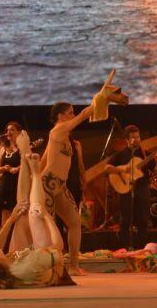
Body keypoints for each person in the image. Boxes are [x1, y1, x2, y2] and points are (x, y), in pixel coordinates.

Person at [0, 130, 74, 289]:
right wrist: (47, 216)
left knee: (21, 210)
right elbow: (58, 246)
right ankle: (35, 172)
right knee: (35, 211)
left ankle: (24, 157)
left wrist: (11, 218)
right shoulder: (29, 265)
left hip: (30, 256)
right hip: (51, 264)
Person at [43, 101, 93, 275]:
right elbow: (83, 116)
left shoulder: (61, 135)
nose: (73, 115)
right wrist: (100, 100)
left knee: (75, 222)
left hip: (60, 185)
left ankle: (73, 266)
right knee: (46, 227)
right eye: (70, 112)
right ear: (60, 116)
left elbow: (44, 159)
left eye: (73, 113)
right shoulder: (57, 130)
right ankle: (47, 267)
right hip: (48, 184)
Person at [105, 125, 156, 250]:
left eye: (138, 137)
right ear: (127, 140)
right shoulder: (121, 154)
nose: (136, 139)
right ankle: (123, 248)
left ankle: (141, 249)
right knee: (125, 220)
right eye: (133, 137)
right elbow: (107, 168)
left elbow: (156, 172)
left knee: (143, 220)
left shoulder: (145, 154)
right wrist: (122, 169)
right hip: (126, 189)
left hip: (142, 188)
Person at [0, 122, 22, 225]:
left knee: (16, 214)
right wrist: (4, 168)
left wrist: (17, 168)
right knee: (5, 214)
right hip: (5, 185)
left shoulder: (21, 148)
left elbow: (26, 163)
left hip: (17, 184)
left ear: (18, 133)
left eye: (12, 130)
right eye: (7, 130)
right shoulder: (2, 148)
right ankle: (5, 239)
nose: (8, 132)